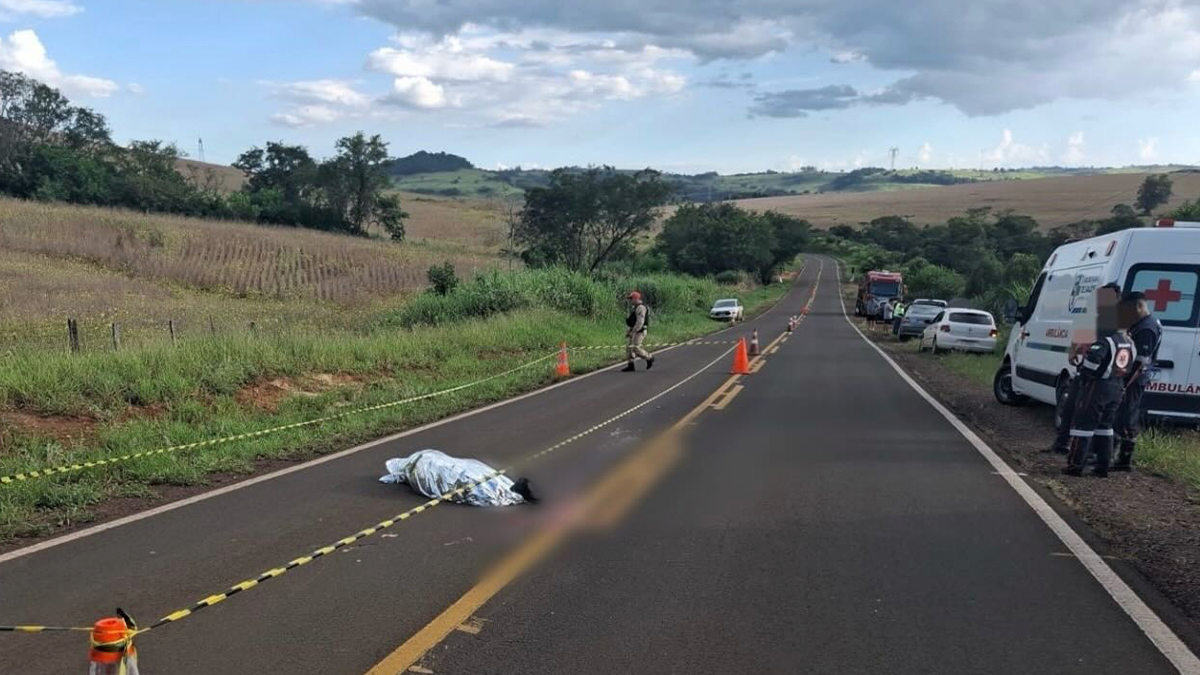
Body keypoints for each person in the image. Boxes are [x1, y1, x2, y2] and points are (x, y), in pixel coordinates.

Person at [1062, 284, 1135, 477]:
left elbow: (1094, 361)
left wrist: (1085, 376)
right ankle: (1103, 465)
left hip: (1098, 384)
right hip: (1117, 383)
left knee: (1083, 424)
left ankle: (1075, 465)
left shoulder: (1105, 336)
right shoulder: (1127, 339)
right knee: (1105, 426)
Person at [1112, 291, 1162, 471]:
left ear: (1138, 306)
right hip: (1133, 377)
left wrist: (1124, 385)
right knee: (1122, 415)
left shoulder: (1146, 328)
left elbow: (1140, 363)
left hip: (1135, 379)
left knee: (1127, 415)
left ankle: (1123, 460)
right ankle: (1116, 457)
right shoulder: (1142, 323)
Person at [623, 290, 655, 372]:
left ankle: (649, 357)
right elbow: (633, 321)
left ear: (636, 298)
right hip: (635, 330)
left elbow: (640, 322)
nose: (630, 301)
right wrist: (629, 331)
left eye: (631, 298)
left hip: (640, 331)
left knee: (635, 348)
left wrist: (633, 331)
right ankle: (631, 365)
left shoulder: (641, 308)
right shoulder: (635, 308)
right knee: (629, 348)